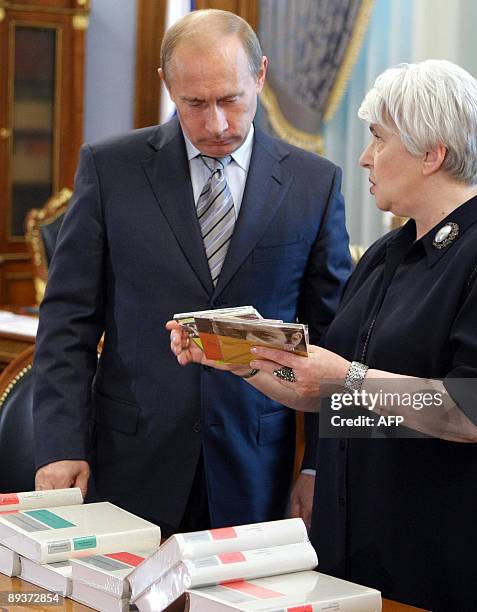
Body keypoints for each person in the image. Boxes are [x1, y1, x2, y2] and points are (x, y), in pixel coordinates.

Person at [170, 60, 477, 610]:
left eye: (378, 138)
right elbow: (328, 392)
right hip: (360, 549)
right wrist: (245, 358)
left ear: (433, 153)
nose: (364, 157)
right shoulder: (387, 253)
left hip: (449, 561)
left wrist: (347, 376)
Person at [32, 9, 351, 536]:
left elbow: (330, 339)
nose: (216, 124)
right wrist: (61, 445)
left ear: (261, 76)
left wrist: (318, 465)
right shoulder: (111, 169)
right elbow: (69, 321)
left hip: (256, 467)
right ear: (167, 86)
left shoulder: (313, 183)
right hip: (130, 461)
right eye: (194, 104)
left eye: (230, 100)